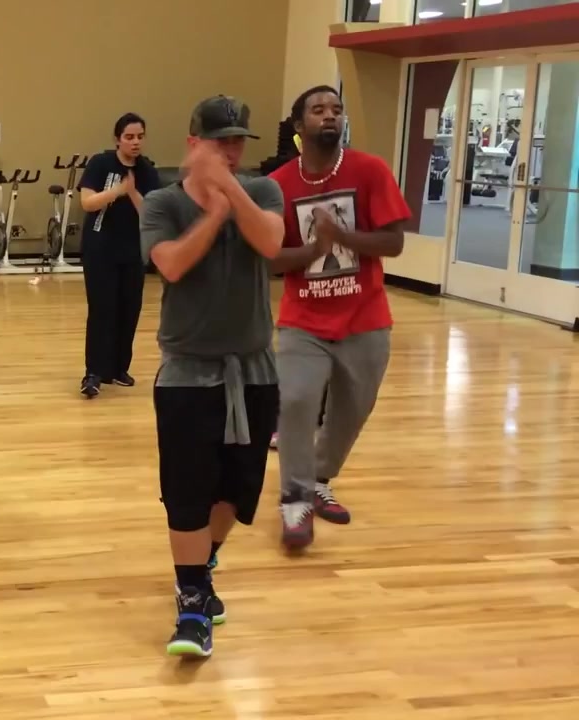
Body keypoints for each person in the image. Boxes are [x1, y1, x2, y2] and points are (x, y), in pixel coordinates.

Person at [140, 95, 284, 658]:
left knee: (237, 489)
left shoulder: (263, 191)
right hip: (187, 370)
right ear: (193, 144)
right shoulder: (162, 202)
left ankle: (202, 562)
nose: (230, 150)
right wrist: (217, 212)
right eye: (220, 141)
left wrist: (230, 193)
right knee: (187, 491)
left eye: (238, 141)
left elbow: (270, 242)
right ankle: (193, 603)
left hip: (254, 367)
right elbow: (172, 264)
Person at [268, 85, 407, 548]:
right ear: (298, 125)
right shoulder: (278, 185)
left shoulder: (370, 170)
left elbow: (394, 243)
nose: (330, 115)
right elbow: (269, 260)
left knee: (352, 411)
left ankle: (319, 479)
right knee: (296, 401)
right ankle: (295, 500)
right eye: (318, 109)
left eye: (336, 109)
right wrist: (314, 249)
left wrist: (343, 236)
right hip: (303, 319)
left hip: (366, 318)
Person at [77, 113, 162, 398]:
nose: (135, 142)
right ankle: (94, 372)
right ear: (117, 139)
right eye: (129, 137)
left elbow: (150, 213)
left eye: (140, 136)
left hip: (133, 250)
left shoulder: (147, 170)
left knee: (129, 309)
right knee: (102, 310)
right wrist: (117, 191)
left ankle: (118, 368)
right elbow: (87, 202)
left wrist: (133, 191)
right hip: (100, 249)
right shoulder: (101, 164)